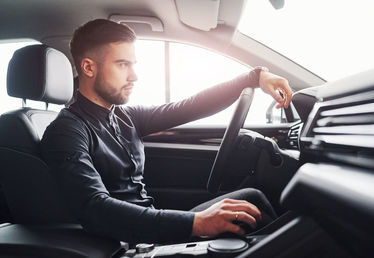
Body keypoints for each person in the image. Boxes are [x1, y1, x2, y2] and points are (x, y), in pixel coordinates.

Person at [40, 19, 293, 244]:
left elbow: (189, 107)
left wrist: (254, 77)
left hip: (150, 227)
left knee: (251, 200)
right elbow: (94, 208)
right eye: (122, 64)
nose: (134, 75)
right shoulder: (67, 131)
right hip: (126, 243)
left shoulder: (125, 116)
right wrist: (197, 223)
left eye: (133, 64)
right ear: (88, 67)